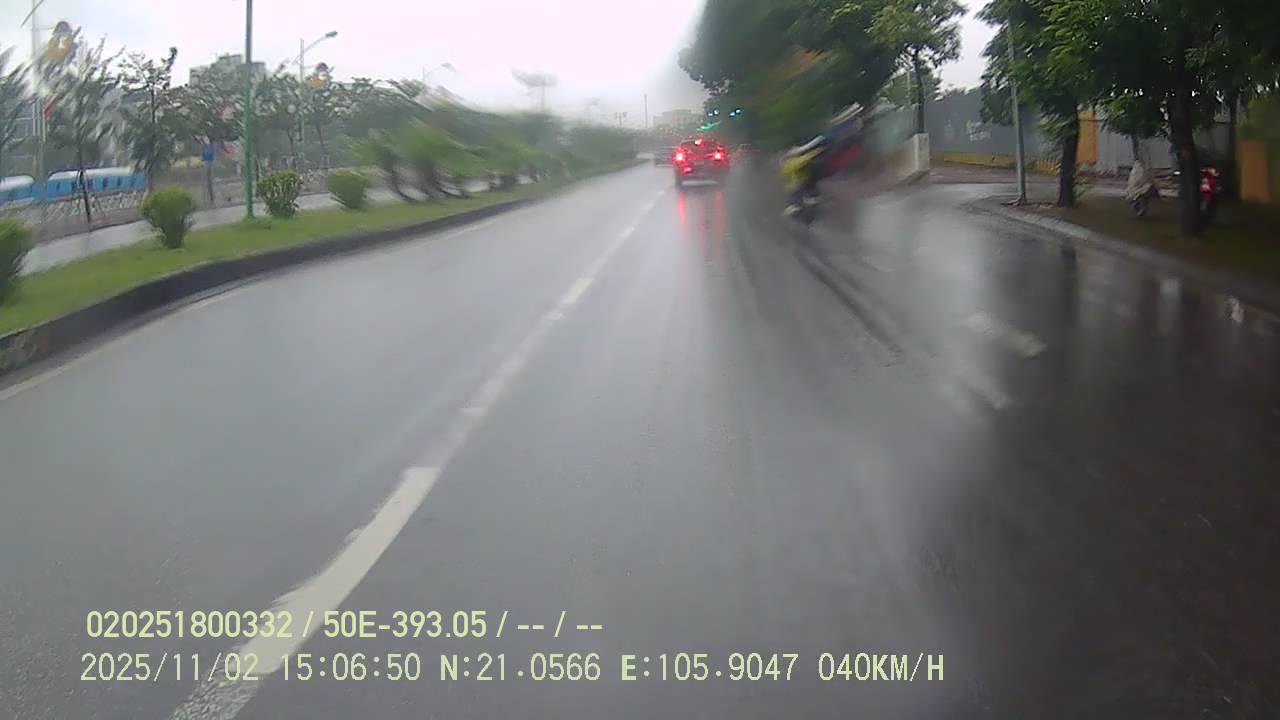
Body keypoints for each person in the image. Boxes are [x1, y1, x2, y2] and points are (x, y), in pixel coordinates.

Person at [782, 104, 867, 217]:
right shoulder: (853, 138)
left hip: (822, 164)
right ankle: (812, 202)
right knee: (810, 181)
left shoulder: (835, 135)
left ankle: (798, 204)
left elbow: (817, 143)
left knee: (801, 177)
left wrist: (798, 151)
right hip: (831, 168)